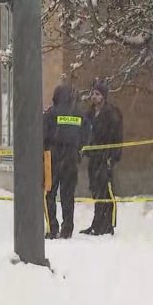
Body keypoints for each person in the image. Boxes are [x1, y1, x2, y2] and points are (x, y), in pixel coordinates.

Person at [81, 80, 123, 236]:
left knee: (106, 190)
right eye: (92, 93)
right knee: (95, 189)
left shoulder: (112, 113)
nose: (93, 97)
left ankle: (107, 224)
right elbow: (85, 133)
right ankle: (96, 223)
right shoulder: (89, 114)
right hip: (94, 157)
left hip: (106, 156)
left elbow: (118, 136)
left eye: (97, 94)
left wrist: (114, 156)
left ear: (103, 97)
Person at [43, 83, 84, 239]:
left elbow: (42, 134)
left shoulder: (51, 114)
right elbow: (87, 132)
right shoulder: (79, 114)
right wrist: (78, 147)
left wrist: (46, 147)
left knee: (49, 194)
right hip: (71, 159)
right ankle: (67, 228)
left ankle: (52, 228)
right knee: (68, 195)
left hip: (52, 159)